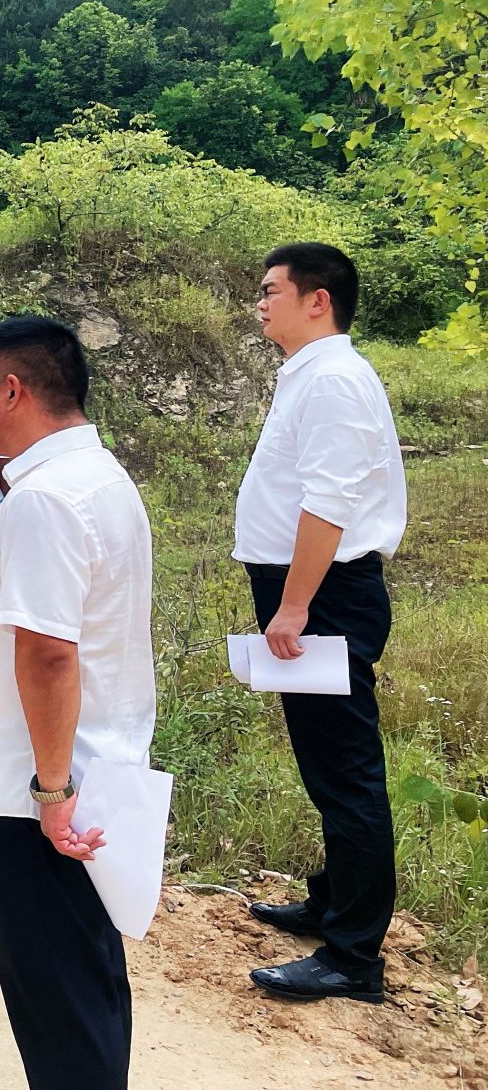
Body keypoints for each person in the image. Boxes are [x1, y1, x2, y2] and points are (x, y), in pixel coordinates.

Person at [0, 317, 155, 1090]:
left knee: (55, 992)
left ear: (12, 390)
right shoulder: (94, 478)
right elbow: (30, 610)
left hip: (41, 787)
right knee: (83, 980)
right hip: (85, 764)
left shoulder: (47, 499)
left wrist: (52, 793)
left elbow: (50, 653)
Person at [234, 243, 405, 1005]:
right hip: (310, 590)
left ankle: (354, 957)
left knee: (346, 771)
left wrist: (296, 604)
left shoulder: (334, 379)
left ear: (318, 300)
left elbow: (329, 502)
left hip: (325, 595)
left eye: (271, 290)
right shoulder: (310, 374)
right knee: (326, 763)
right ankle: (333, 904)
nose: (259, 302)